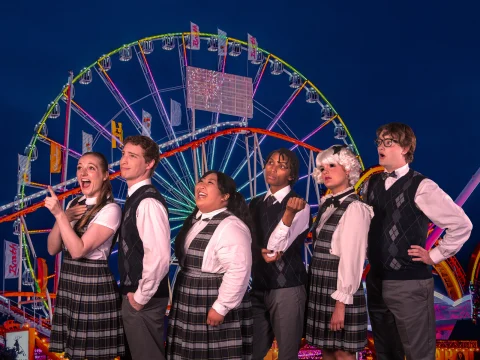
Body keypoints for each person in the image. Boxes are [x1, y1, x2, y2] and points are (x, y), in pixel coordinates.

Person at [364, 123, 473, 360]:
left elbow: (462, 224)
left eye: (388, 142)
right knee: (385, 353)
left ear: (404, 148)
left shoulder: (422, 186)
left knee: (419, 354)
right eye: (379, 142)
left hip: (410, 283)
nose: (381, 147)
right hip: (375, 283)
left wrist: (434, 256)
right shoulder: (371, 185)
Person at [45, 151, 124, 360]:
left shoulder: (111, 210)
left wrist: (60, 215)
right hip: (71, 284)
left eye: (91, 167)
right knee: (74, 353)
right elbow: (53, 249)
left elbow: (78, 250)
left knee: (96, 353)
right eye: (80, 167)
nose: (83, 172)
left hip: (93, 287)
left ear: (106, 175)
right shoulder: (74, 203)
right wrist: (61, 218)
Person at [167, 170, 253, 359]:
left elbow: (239, 269)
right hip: (190, 298)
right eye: (201, 181)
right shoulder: (196, 220)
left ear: (225, 197)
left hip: (210, 298)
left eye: (210, 183)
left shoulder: (231, 226)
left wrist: (221, 306)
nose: (201, 185)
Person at [305, 145, 372, 360]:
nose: (326, 172)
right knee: (327, 351)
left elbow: (352, 259)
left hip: (339, 291)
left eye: (332, 166)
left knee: (342, 352)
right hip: (320, 286)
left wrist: (341, 304)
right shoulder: (326, 205)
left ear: (348, 169)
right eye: (322, 168)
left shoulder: (355, 209)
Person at [249, 148, 310, 360]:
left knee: (287, 354)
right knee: (252, 352)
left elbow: (277, 246)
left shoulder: (300, 206)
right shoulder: (255, 203)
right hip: (258, 287)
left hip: (287, 287)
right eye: (270, 162)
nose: (273, 168)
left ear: (291, 176)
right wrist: (257, 252)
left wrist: (288, 214)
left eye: (282, 166)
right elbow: (248, 241)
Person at [117, 135, 171, 360]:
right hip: (137, 297)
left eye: (132, 156)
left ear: (149, 164)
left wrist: (140, 297)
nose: (123, 160)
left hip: (143, 300)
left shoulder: (148, 202)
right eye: (123, 154)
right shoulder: (135, 198)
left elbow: (158, 256)